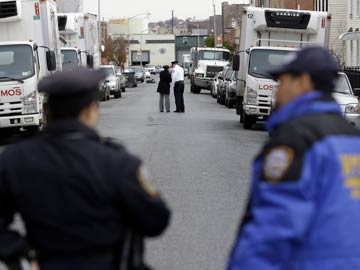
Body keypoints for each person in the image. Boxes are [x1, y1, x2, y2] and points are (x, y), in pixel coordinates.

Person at [0, 68, 171, 270]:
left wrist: (22, 254)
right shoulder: (117, 161)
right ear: (91, 109)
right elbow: (156, 221)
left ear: (48, 110)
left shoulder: (15, 159)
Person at [228, 46, 360, 270]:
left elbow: (272, 230)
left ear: (303, 82)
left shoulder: (296, 139)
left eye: (282, 81)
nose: (276, 91)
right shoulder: (352, 139)